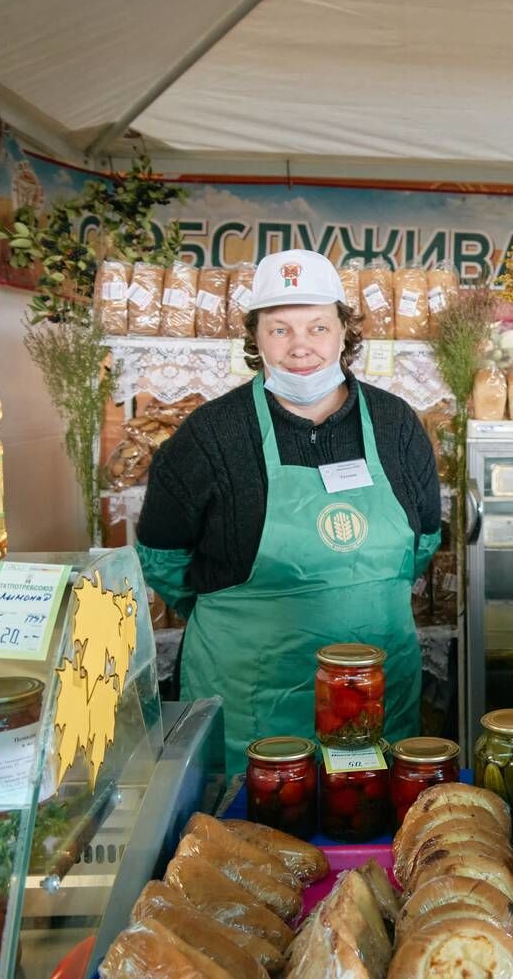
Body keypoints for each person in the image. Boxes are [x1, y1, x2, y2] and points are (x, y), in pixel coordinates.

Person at [137, 250, 441, 772]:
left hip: (376, 693)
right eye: (279, 329)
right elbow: (162, 558)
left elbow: (423, 545)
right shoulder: (211, 434)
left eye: (318, 326)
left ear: (345, 332)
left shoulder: (396, 424)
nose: (301, 346)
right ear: (254, 338)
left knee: (370, 836)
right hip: (251, 707)